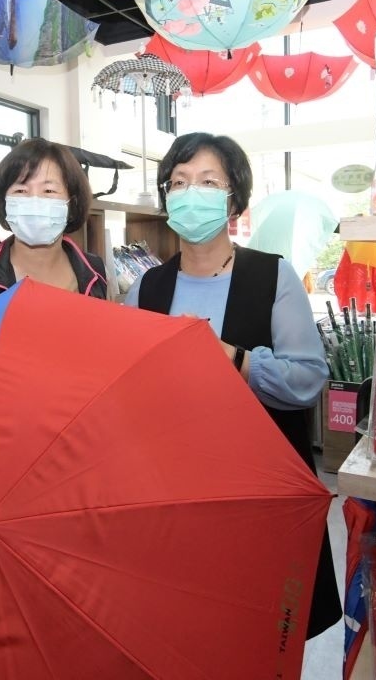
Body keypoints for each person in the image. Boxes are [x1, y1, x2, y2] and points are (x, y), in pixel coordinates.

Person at [124, 132, 340, 640]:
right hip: (173, 497)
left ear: (233, 200)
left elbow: (308, 380)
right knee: (188, 630)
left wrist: (235, 359)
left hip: (256, 494)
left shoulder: (272, 277)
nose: (188, 192)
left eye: (206, 181)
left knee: (260, 631)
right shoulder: (147, 287)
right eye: (177, 183)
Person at [0, 138, 107, 318]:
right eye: (21, 191)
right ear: (4, 203)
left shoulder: (97, 274)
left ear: (72, 203)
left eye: (49, 191)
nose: (35, 202)